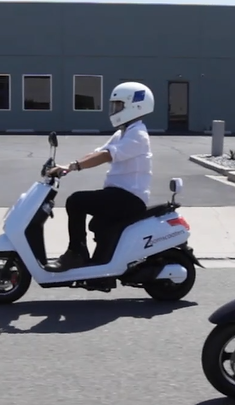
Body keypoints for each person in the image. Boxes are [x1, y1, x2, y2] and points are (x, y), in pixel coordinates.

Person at [46, 81, 154, 271]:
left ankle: (76, 254)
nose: (114, 110)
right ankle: (99, 264)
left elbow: (106, 155)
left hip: (130, 198)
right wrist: (67, 166)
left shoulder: (138, 135)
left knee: (76, 201)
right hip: (120, 195)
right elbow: (98, 152)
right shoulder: (123, 133)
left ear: (134, 106)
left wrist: (73, 167)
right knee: (98, 223)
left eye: (119, 105)